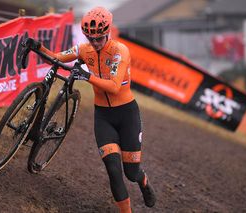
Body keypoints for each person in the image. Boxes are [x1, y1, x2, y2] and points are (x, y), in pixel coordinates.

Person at [27, 6, 156, 212]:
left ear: (107, 33)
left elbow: (114, 87)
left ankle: (144, 182)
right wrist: (38, 47)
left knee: (131, 173)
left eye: (99, 39)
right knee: (113, 170)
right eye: (90, 38)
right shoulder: (84, 49)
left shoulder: (119, 52)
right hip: (103, 117)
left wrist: (87, 76)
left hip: (127, 115)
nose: (94, 43)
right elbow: (57, 57)